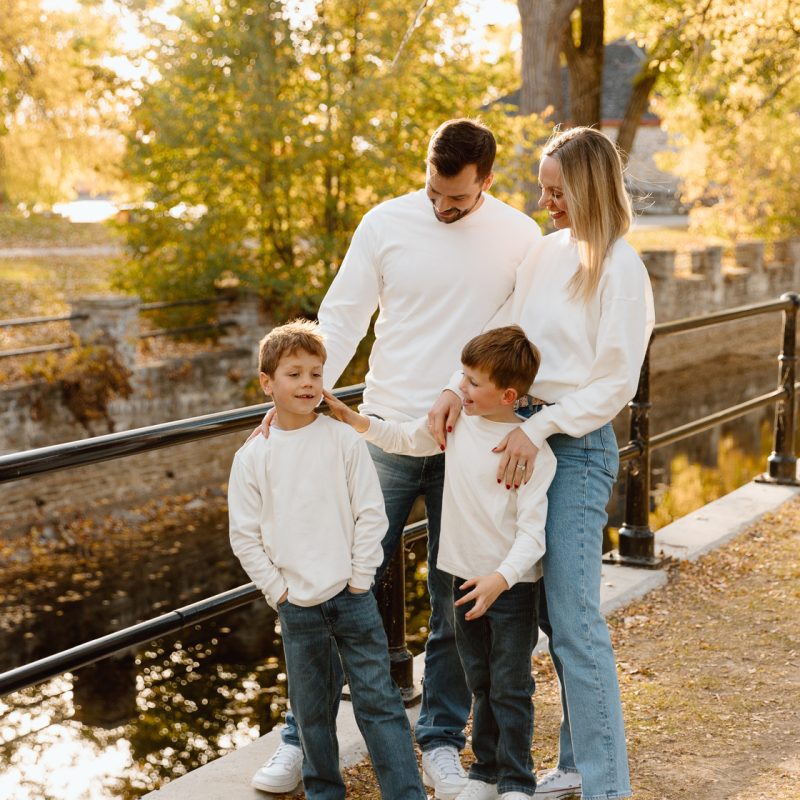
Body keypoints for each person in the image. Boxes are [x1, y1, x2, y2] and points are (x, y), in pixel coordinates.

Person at [252, 118, 542, 799]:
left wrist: (456, 391)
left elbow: (511, 341)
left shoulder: (519, 237)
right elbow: (343, 314)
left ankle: (440, 740)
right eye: (435, 191)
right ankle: (302, 735)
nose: (443, 207)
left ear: (488, 181)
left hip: (470, 443)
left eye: (459, 199)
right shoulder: (384, 223)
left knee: (456, 600)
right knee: (328, 583)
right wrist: (304, 389)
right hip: (380, 433)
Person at [430, 127, 655, 800]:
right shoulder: (547, 253)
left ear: (587, 187)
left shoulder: (621, 267)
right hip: (515, 431)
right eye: (542, 187)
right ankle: (575, 763)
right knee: (537, 611)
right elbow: (501, 331)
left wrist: (544, 426)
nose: (544, 200)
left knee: (575, 621)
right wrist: (453, 385)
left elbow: (615, 383)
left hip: (575, 447)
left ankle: (606, 785)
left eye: (556, 190)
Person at [325, 324, 556, 800]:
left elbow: (534, 536)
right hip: (459, 578)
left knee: (511, 686)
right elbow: (404, 439)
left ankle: (516, 780)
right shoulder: (457, 426)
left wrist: (501, 578)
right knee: (480, 680)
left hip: (509, 586)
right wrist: (353, 418)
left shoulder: (532, 451)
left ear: (508, 393)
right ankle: (485, 773)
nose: (460, 387)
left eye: (472, 382)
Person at [228, 319, 426, 800]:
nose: (308, 384)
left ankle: (405, 792)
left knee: (378, 701)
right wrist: (279, 593)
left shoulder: (342, 440)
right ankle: (323, 792)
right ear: (267, 383)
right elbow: (245, 536)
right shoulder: (255, 456)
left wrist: (360, 579)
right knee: (312, 711)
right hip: (297, 606)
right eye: (294, 374)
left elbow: (370, 513)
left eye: (316, 374)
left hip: (352, 596)